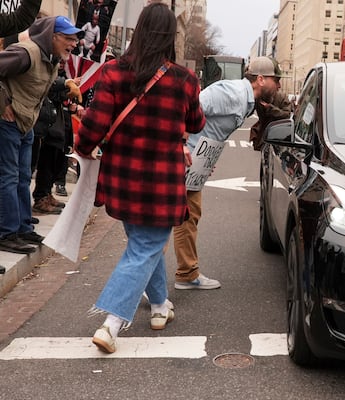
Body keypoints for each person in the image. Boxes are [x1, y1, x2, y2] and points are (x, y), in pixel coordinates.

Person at [75, 2, 205, 354]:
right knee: (145, 248)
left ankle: (160, 306)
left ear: (139, 31)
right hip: (162, 185)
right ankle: (111, 324)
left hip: (123, 180)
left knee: (142, 246)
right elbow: (197, 124)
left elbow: (94, 125)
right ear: (170, 36)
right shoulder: (184, 80)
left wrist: (83, 148)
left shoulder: (115, 72)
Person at [172, 56, 282, 290]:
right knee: (168, 218)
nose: (279, 86)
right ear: (260, 79)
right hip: (184, 158)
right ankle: (148, 280)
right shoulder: (229, 93)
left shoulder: (249, 100)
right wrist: (181, 145)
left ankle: (187, 274)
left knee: (189, 216)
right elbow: (186, 108)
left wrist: (206, 157)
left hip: (196, 160)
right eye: (276, 80)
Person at [0, 16, 81, 254]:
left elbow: (37, 81)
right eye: (68, 38)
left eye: (75, 39)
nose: (73, 44)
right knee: (8, 178)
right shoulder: (26, 52)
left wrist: (64, 84)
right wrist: (2, 103)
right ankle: (6, 232)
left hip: (26, 123)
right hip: (8, 123)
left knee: (24, 177)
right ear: (52, 36)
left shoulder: (50, 58)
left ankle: (22, 227)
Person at [31, 63, 81, 213]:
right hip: (46, 126)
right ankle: (41, 198)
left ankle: (46, 193)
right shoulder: (46, 71)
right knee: (44, 164)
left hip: (58, 122)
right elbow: (50, 90)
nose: (62, 63)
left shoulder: (61, 75)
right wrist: (66, 87)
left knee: (56, 161)